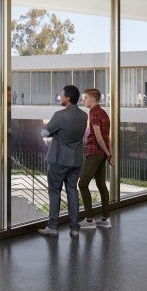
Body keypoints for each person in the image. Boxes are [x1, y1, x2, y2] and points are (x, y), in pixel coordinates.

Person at [38, 85, 88, 237]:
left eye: (62, 95)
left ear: (67, 98)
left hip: (58, 160)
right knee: (72, 191)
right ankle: (74, 229)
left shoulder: (60, 115)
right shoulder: (83, 116)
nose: (60, 97)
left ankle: (52, 227)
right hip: (75, 160)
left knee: (54, 192)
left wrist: (52, 131)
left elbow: (44, 133)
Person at [74, 88, 112, 230]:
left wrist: (108, 154)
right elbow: (107, 137)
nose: (83, 100)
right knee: (101, 184)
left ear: (93, 99)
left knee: (82, 184)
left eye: (85, 98)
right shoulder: (103, 113)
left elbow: (99, 137)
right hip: (102, 153)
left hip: (95, 152)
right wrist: (109, 153)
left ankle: (89, 220)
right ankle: (105, 218)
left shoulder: (94, 113)